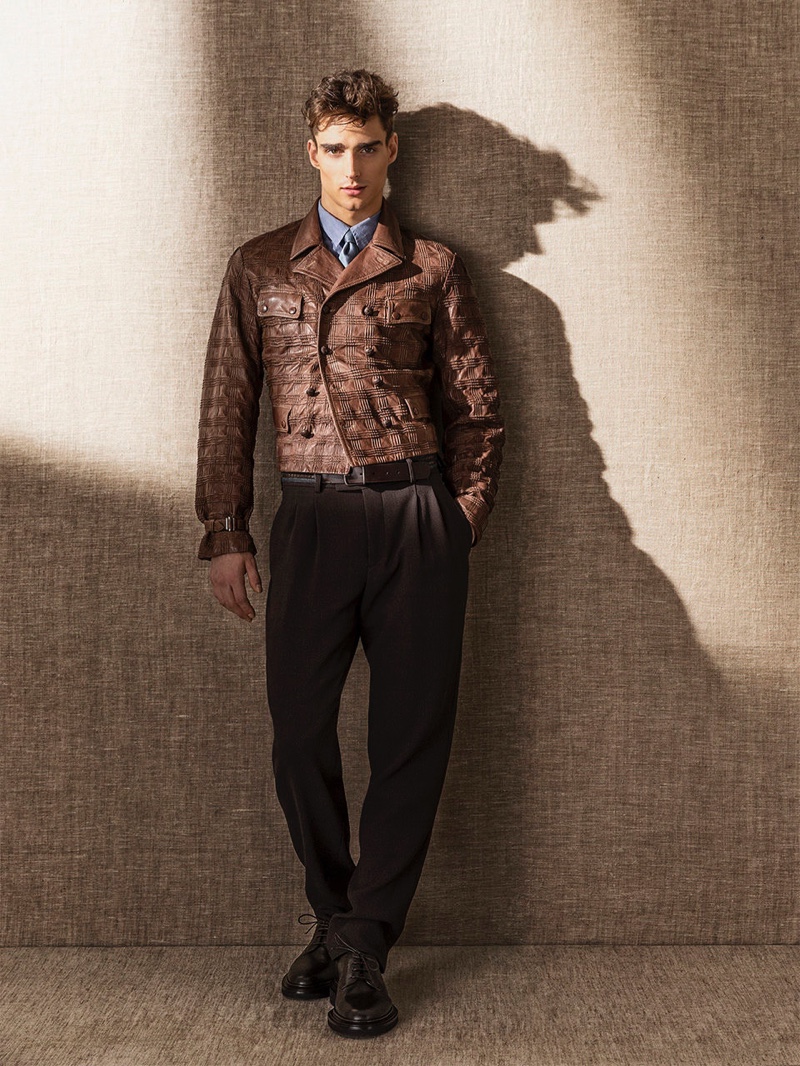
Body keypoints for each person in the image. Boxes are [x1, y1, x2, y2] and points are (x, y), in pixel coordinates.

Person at [195, 69, 504, 1039]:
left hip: (415, 517)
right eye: (335, 147)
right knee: (298, 731)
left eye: (368, 146)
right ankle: (335, 915)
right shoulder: (258, 266)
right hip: (313, 521)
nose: (352, 166)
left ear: (391, 149)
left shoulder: (432, 266)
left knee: (409, 737)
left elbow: (477, 408)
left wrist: (458, 516)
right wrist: (225, 528)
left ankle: (365, 943)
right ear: (311, 152)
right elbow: (227, 403)